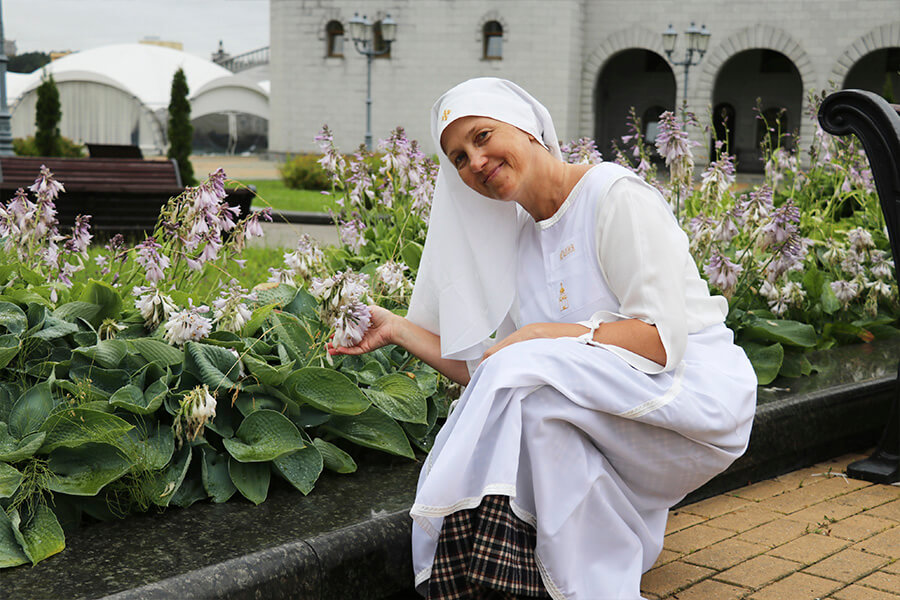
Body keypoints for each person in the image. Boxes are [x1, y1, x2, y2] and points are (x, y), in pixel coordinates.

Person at [329, 78, 757, 600]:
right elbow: (498, 369)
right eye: (459, 158)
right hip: (608, 406)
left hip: (696, 395)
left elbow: (661, 342)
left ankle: (479, 557)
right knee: (534, 404)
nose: (476, 161)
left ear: (529, 128)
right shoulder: (517, 244)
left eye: (483, 136)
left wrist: (543, 335)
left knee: (530, 381)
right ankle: (555, 581)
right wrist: (396, 328)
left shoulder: (612, 195)